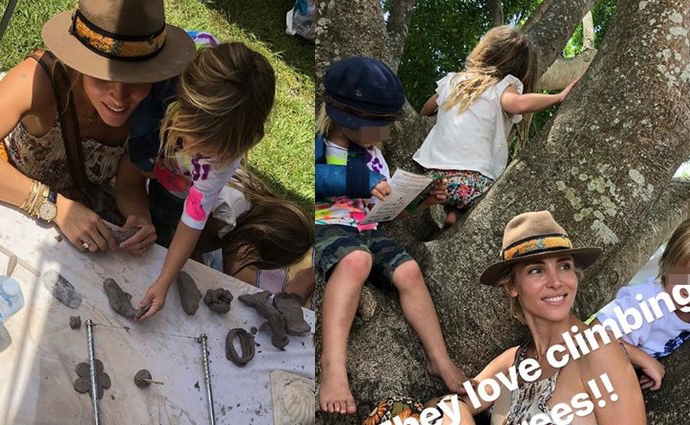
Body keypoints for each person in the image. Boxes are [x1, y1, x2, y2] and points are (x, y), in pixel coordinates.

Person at [0, 0, 194, 257]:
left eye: (135, 82)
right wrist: (55, 207)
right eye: (104, 78)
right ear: (80, 64)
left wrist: (139, 217)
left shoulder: (148, 110)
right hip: (7, 197)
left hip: (82, 231)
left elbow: (129, 185)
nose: (119, 98)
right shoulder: (39, 79)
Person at [314, 57, 467, 416]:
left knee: (409, 272)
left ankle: (438, 358)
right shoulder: (321, 144)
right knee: (356, 261)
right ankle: (333, 366)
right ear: (349, 120)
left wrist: (421, 200)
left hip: (368, 227)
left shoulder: (375, 157)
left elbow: (386, 210)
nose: (383, 135)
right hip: (328, 226)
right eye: (377, 127)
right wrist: (364, 182)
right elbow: (320, 180)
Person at [431, 211, 645, 425]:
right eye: (536, 270)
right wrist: (458, 412)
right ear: (511, 286)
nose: (556, 282)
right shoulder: (513, 363)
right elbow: (439, 406)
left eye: (564, 266)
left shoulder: (597, 352)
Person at [131, 42, 276, 321]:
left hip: (176, 179)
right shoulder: (160, 91)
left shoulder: (223, 158)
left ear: (248, 142)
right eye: (190, 135)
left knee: (169, 217)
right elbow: (131, 152)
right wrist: (141, 160)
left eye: (208, 150)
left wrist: (163, 282)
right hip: (151, 152)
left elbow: (194, 217)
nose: (195, 149)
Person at [412, 26, 578, 228]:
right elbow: (519, 104)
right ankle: (456, 213)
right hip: (474, 184)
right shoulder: (501, 86)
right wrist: (558, 98)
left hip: (434, 178)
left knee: (445, 192)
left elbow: (427, 109)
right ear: (520, 68)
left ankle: (452, 213)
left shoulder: (453, 80)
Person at [590, 218, 690, 391]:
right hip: (587, 379)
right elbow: (593, 335)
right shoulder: (646, 302)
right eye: (682, 281)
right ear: (666, 267)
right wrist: (644, 360)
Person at [191, 167, 316, 303]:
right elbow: (192, 248)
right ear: (260, 239)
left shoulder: (255, 199)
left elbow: (230, 247)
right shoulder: (224, 215)